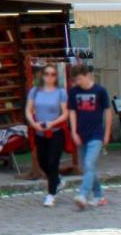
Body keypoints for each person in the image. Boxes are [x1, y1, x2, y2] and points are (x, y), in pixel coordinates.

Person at [68, 63, 112, 210]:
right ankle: (99, 196)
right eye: (76, 80)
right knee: (88, 167)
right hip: (81, 135)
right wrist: (73, 131)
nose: (78, 82)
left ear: (87, 75)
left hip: (96, 134)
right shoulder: (74, 92)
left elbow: (108, 111)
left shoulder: (100, 91)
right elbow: (72, 111)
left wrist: (107, 133)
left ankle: (83, 194)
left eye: (80, 78)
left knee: (88, 164)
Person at [25, 63, 69, 207]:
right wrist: (33, 122)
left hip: (55, 131)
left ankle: (51, 194)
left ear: (56, 77)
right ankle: (57, 180)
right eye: (47, 74)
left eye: (53, 74)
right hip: (39, 130)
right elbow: (28, 109)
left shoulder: (61, 92)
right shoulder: (35, 91)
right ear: (42, 76)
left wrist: (53, 123)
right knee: (42, 161)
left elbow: (65, 113)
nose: (50, 77)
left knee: (53, 161)